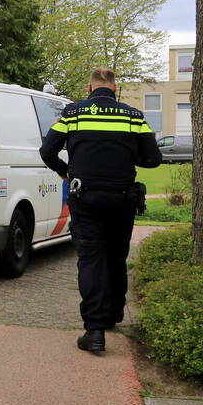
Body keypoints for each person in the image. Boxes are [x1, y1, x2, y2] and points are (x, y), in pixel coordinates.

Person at [39, 68, 161, 354]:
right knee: (117, 256)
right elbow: (154, 158)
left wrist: (67, 172)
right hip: (122, 198)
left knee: (91, 259)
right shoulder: (133, 116)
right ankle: (114, 315)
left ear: (89, 87)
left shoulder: (73, 113)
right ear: (115, 88)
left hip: (86, 198)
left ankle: (94, 331)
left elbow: (47, 151)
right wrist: (125, 156)